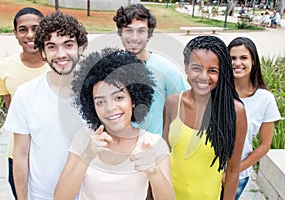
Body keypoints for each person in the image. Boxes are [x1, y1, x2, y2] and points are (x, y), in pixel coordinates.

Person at [54, 48, 174, 200]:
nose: (110, 108)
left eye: (118, 98)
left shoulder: (153, 143)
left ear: (134, 100)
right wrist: (87, 156)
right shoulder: (85, 137)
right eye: (100, 101)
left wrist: (154, 171)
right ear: (92, 106)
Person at [3, 12, 88, 199]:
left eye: (68, 45)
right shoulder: (26, 95)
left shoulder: (98, 93)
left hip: (88, 194)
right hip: (41, 195)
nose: (61, 54)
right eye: (52, 47)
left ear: (81, 48)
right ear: (42, 52)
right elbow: (20, 154)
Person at [163, 35, 247, 199]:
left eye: (212, 70)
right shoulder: (173, 103)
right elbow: (164, 155)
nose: (203, 76)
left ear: (221, 72)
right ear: (186, 67)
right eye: (196, 68)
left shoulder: (234, 111)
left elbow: (233, 170)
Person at [0, 7, 49, 199]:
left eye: (36, 28)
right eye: (23, 29)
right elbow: (12, 108)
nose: (30, 34)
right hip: (18, 154)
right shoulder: (6, 66)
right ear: (15, 33)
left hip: (52, 153)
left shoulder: (58, 64)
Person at [113, 4, 186, 136]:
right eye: (128, 30)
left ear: (149, 34)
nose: (134, 37)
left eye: (141, 31)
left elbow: (186, 108)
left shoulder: (167, 70)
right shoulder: (111, 69)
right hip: (119, 149)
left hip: (154, 151)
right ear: (120, 33)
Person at [228, 37, 281, 200]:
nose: (237, 63)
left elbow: (264, 145)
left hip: (239, 174)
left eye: (243, 58)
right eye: (232, 58)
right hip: (208, 170)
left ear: (254, 61)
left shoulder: (265, 99)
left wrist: (235, 171)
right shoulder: (217, 92)